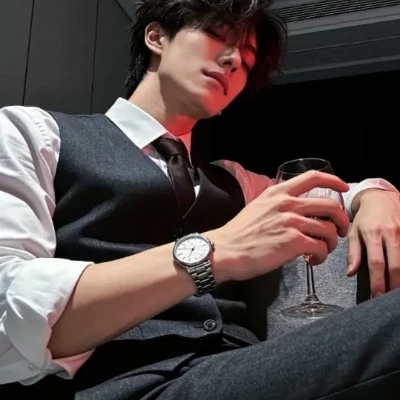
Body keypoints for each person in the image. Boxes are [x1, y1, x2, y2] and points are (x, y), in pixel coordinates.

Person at [1, 0, 400, 398]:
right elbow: (8, 322)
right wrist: (218, 250)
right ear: (156, 37)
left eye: (246, 61)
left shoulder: (234, 181)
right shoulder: (35, 134)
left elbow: (335, 193)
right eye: (216, 35)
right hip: (121, 386)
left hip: (242, 370)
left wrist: (377, 195)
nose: (233, 61)